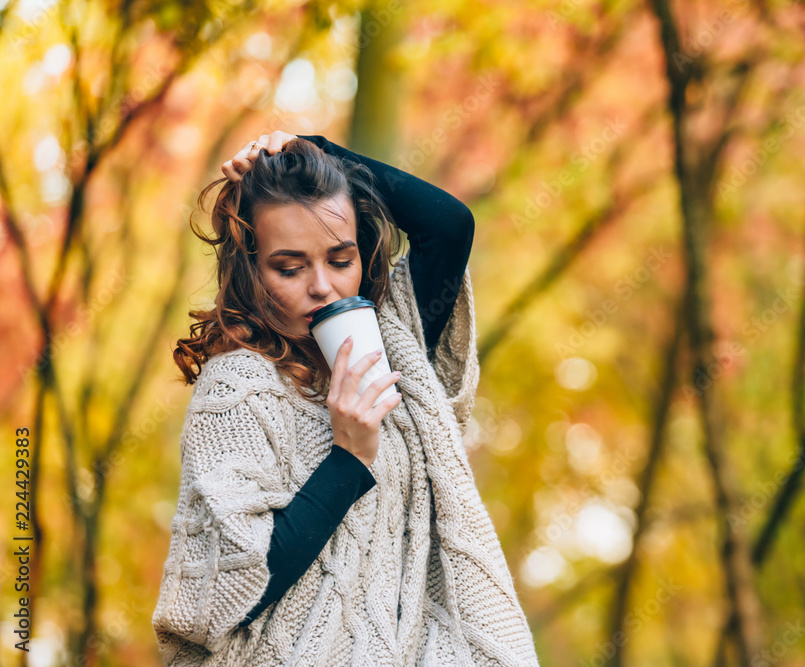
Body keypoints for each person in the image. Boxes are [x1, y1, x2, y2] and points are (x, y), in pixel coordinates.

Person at [151, 131, 540, 666]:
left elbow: (448, 226)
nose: (323, 287)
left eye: (340, 259)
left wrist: (315, 147)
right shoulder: (237, 388)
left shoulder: (392, 346)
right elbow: (229, 592)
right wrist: (349, 457)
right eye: (289, 267)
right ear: (251, 270)